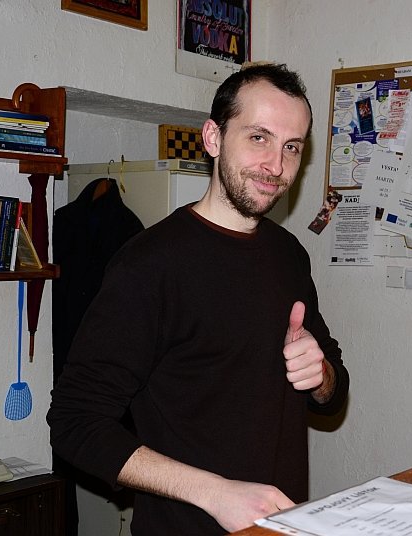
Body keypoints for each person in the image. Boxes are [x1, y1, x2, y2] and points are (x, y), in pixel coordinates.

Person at [47, 62, 350, 535]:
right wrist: (216, 493)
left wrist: (320, 375)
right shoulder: (149, 265)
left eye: (291, 147)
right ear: (213, 138)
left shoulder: (288, 253)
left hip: (280, 526)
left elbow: (332, 395)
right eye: (259, 137)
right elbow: (74, 422)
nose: (276, 165)